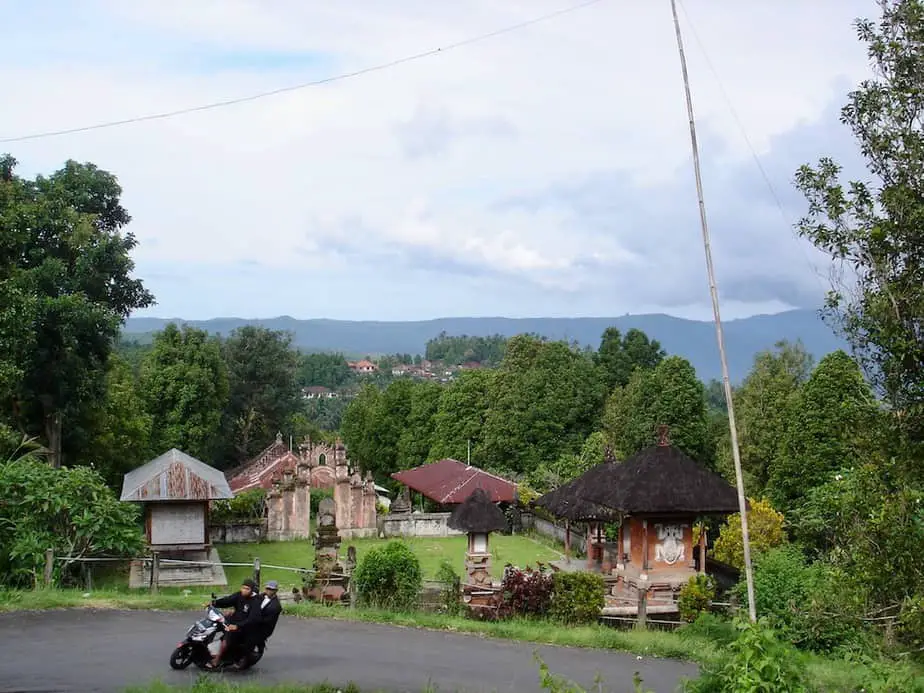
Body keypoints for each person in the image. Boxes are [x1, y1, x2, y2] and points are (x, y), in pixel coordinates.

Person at [206, 579, 261, 669]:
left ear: (251, 590)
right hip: (233, 620)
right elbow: (228, 600)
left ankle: (216, 661)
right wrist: (214, 603)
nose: (244, 590)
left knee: (226, 640)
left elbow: (252, 619)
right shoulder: (239, 595)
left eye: (247, 589)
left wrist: (237, 626)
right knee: (214, 624)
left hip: (243, 627)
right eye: (243, 588)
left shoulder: (255, 601)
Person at [254, 580, 283, 645]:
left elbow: (266, 621)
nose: (269, 591)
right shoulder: (262, 595)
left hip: (263, 628)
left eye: (271, 589)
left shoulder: (275, 606)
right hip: (257, 621)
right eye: (267, 588)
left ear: (276, 591)